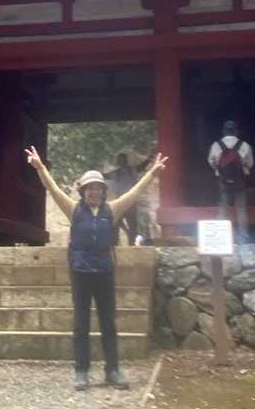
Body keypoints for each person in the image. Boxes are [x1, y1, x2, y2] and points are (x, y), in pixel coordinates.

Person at [26, 146, 166, 391]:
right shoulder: (73, 210)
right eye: (90, 188)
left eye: (98, 188)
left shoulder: (111, 210)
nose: (94, 191)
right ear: (83, 191)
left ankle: (113, 370)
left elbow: (134, 193)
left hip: (104, 272)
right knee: (81, 324)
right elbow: (53, 189)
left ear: (103, 191)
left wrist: (152, 173)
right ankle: (81, 371)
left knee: (108, 322)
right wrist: (40, 168)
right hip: (80, 273)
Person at [207, 119, 253, 243]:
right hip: (240, 180)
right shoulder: (244, 145)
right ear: (236, 131)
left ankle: (222, 237)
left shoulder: (216, 145)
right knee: (241, 209)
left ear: (223, 131)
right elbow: (250, 163)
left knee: (223, 209)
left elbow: (211, 161)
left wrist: (219, 170)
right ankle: (244, 236)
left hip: (222, 180)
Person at [107, 152, 138, 244]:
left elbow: (141, 167)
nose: (120, 162)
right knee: (115, 222)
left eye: (122, 159)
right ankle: (115, 244)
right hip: (120, 201)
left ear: (126, 161)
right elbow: (104, 175)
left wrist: (149, 159)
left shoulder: (131, 170)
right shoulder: (115, 173)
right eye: (119, 160)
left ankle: (132, 244)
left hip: (131, 201)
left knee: (132, 224)